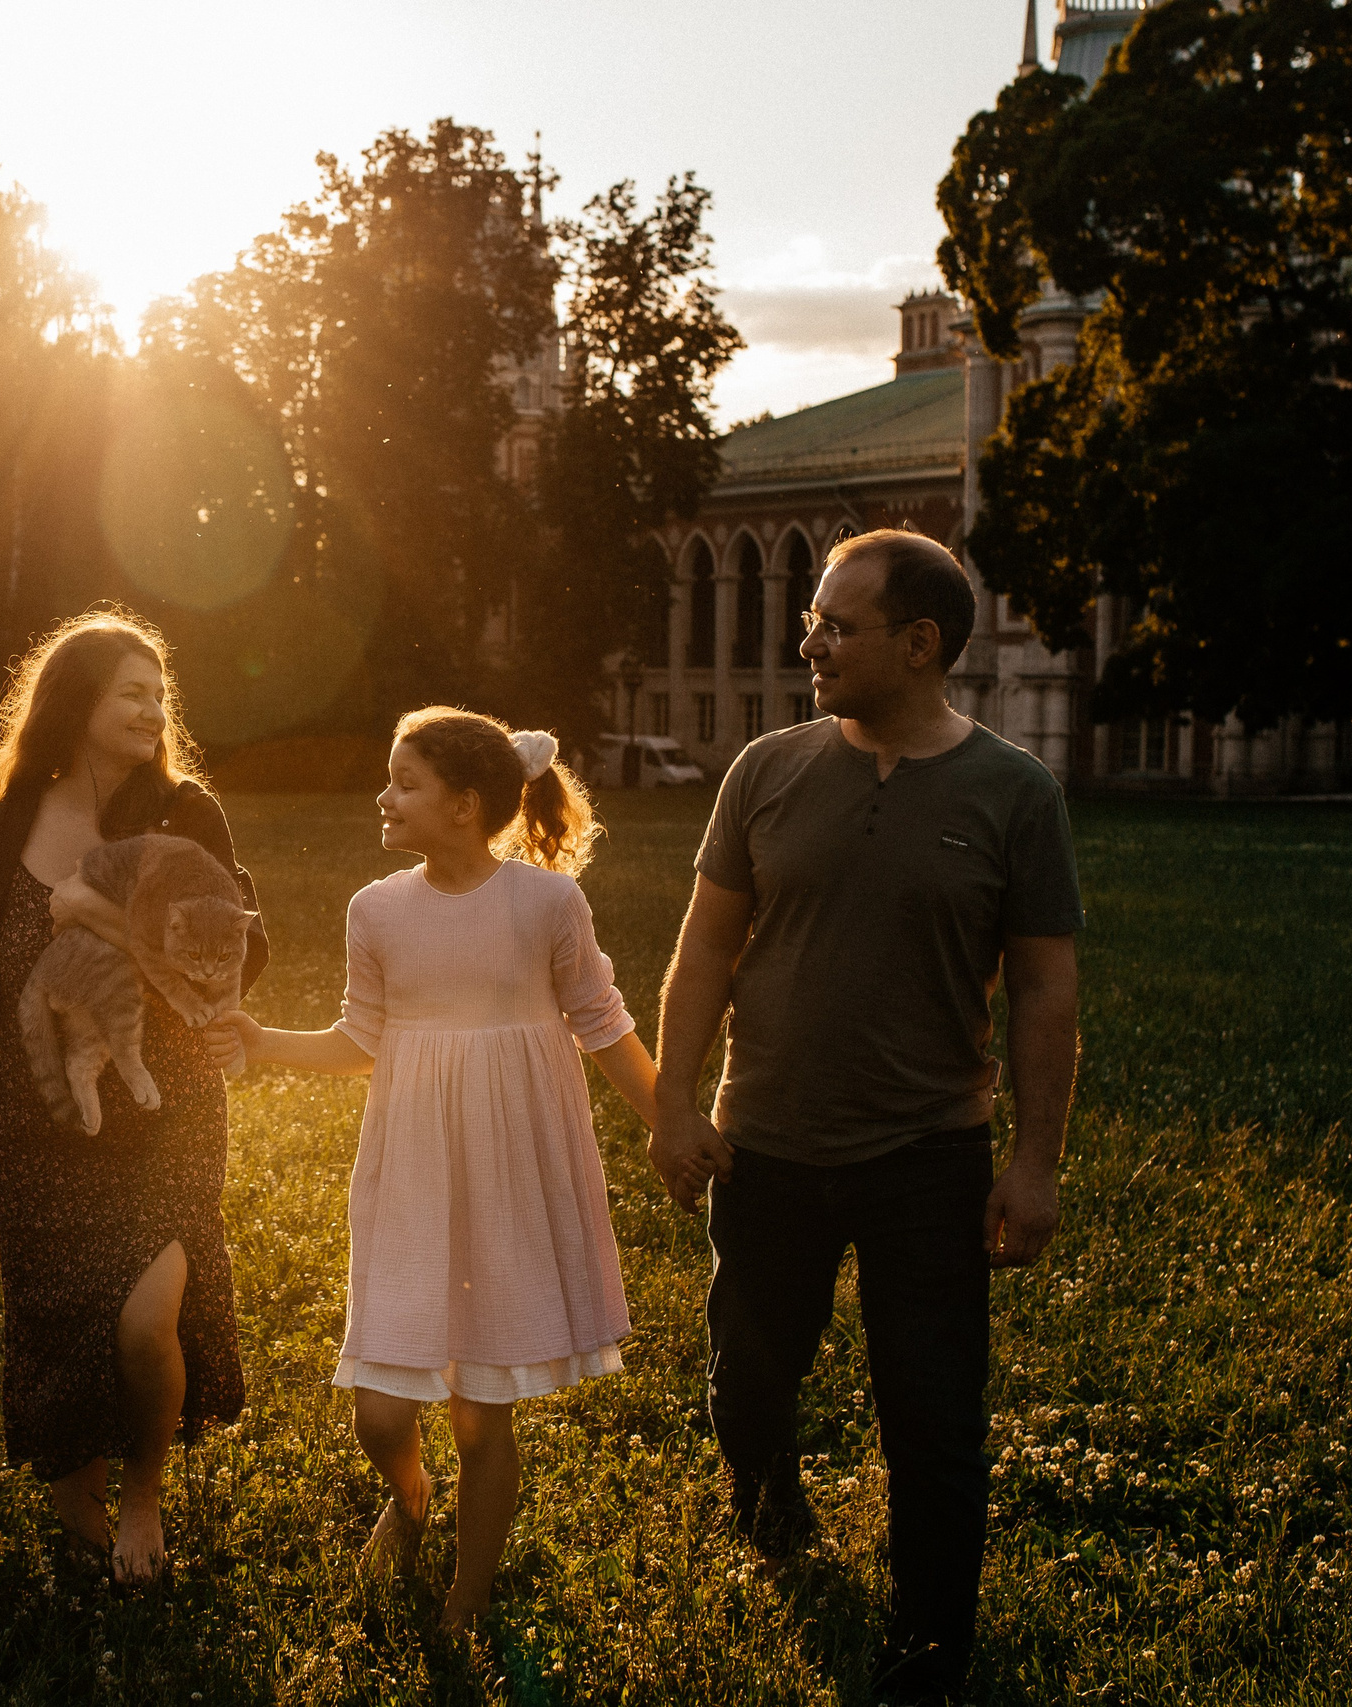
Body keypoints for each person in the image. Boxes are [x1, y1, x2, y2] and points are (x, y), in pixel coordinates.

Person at [650, 529, 1081, 1704]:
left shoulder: (1013, 793)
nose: (811, 641)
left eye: (838, 625)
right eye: (812, 619)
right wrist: (674, 1105)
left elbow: (1046, 987)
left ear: (920, 643)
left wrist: (1033, 1166)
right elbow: (704, 951)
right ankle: (771, 1506)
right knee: (747, 1384)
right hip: (767, 1145)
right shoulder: (765, 770)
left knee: (934, 1422)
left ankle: (929, 1648)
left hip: (928, 1159)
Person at [219, 707, 656, 1630]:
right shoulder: (376, 909)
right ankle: (411, 1495)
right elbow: (359, 1039)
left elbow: (602, 1022)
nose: (384, 794)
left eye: (404, 781)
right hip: (411, 1168)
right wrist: (262, 1041)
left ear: (464, 805)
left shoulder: (546, 903)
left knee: (478, 1410)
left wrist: (672, 1121)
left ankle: (468, 1595)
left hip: (510, 1174)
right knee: (380, 1412)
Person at [0, 609, 265, 1583]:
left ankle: (144, 1494)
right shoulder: (0, 834)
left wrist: (104, 916)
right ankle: (72, 1481)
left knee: (144, 1315)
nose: (152, 709)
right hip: (34, 1113)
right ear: (75, 703)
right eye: (131, 691)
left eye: (159, 693)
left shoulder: (186, 813)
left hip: (167, 1111)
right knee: (61, 1313)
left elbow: (242, 944)